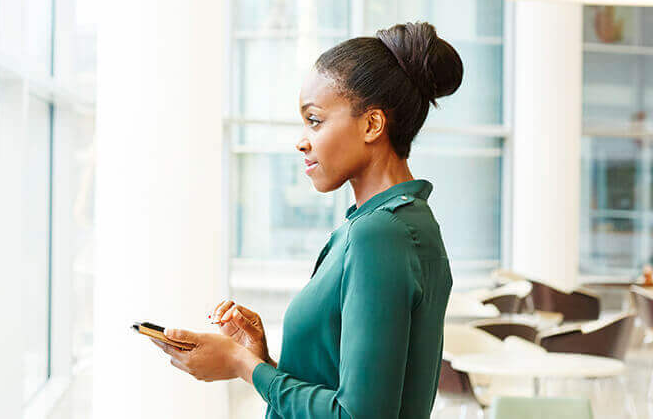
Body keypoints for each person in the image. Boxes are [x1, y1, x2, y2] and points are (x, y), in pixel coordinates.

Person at [149, 21, 462, 418]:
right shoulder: (407, 222)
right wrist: (260, 360)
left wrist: (243, 366)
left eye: (315, 120)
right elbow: (350, 398)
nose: (302, 139)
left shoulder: (380, 233)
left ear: (372, 125)